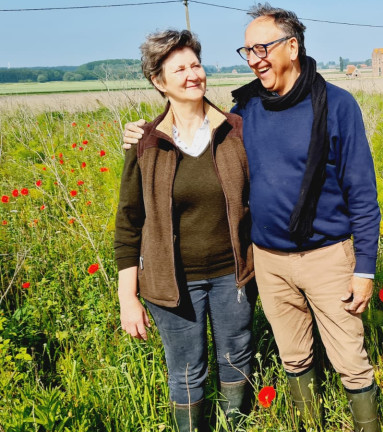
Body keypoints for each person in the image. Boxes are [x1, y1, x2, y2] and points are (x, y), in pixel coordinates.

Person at [123, 4, 383, 430]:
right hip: (267, 261)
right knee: (294, 357)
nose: (255, 57)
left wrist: (365, 269)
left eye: (263, 46)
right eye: (248, 50)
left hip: (327, 259)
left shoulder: (336, 105)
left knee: (351, 361)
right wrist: (142, 133)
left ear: (293, 46)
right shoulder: (247, 111)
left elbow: (363, 193)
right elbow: (187, 132)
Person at [114, 29, 255, 432]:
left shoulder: (235, 131)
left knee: (236, 357)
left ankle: (236, 425)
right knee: (187, 371)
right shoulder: (145, 143)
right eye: (180, 69)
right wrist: (128, 298)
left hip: (234, 276)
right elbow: (128, 223)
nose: (193, 74)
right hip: (172, 283)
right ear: (159, 82)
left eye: (196, 64)